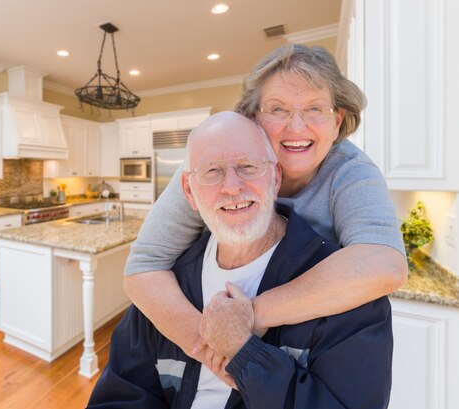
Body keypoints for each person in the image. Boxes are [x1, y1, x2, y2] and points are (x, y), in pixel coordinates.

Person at [123, 44, 406, 373]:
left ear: (337, 120)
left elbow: (384, 263)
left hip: (304, 352)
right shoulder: (207, 171)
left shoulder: (350, 171)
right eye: (278, 109)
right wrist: (211, 350)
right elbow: (142, 267)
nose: (296, 127)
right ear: (253, 118)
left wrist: (250, 315)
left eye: (315, 109)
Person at [87, 112, 393, 409]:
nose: (232, 186)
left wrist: (246, 355)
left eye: (248, 166)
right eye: (211, 171)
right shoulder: (166, 289)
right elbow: (121, 394)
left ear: (275, 179)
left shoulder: (347, 294)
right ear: (189, 192)